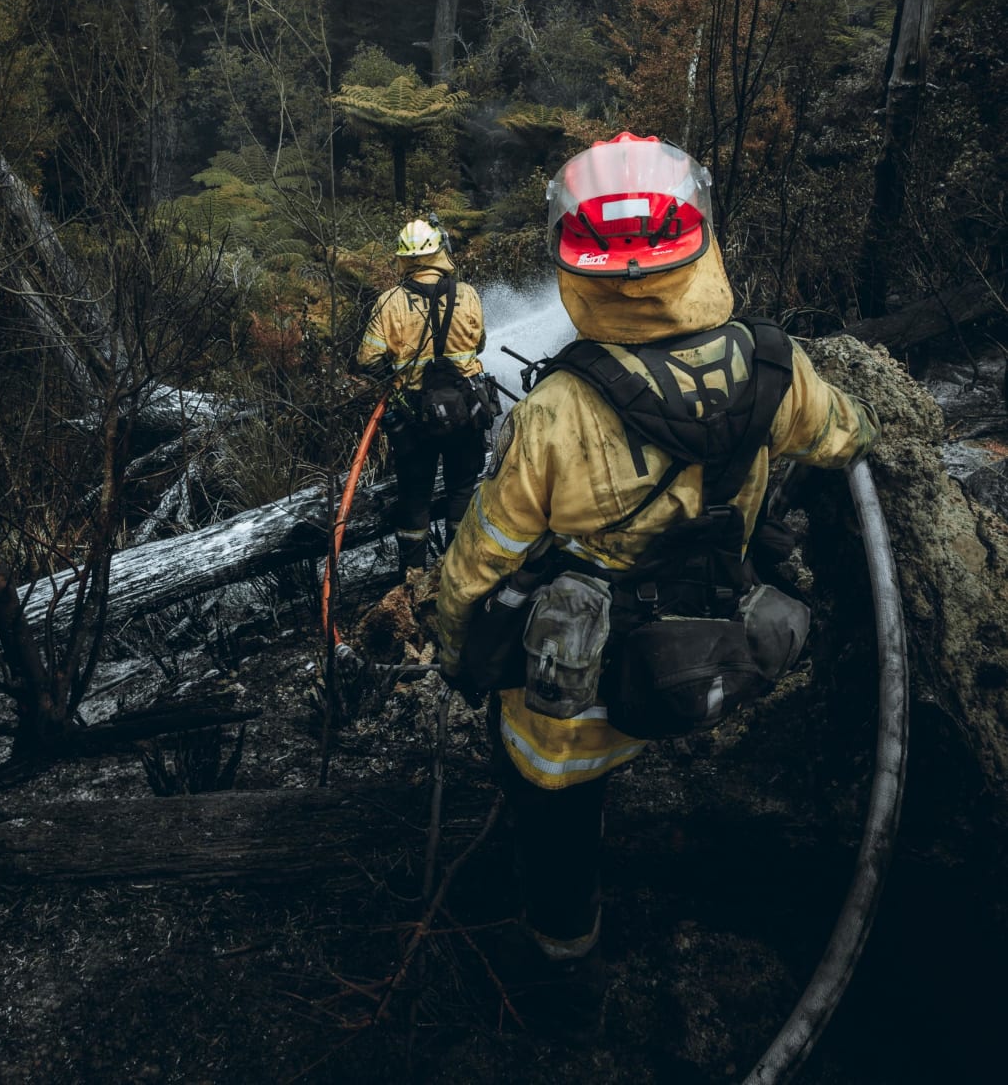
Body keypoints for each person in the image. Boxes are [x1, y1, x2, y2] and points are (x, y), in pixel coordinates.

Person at [434, 131, 880, 1022]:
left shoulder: (559, 409)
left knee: (550, 800)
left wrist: (453, 639)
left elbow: (486, 552)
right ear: (700, 241)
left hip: (583, 691)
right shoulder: (773, 365)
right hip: (714, 643)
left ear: (577, 264)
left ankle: (564, 962)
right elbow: (851, 435)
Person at [358, 217, 489, 574]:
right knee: (463, 489)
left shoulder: (389, 303)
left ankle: (411, 581)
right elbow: (479, 344)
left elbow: (367, 360)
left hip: (413, 421)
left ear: (404, 258)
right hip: (466, 414)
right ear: (439, 251)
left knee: (414, 499)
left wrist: (397, 379)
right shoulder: (468, 294)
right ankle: (457, 573)